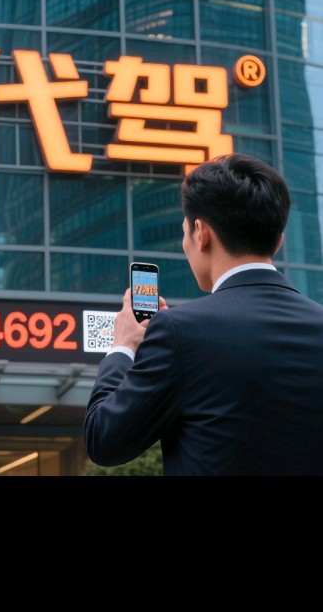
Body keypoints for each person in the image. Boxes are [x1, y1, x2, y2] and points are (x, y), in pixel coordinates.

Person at [83, 153, 323, 476]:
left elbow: (103, 439)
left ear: (200, 233)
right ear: (278, 241)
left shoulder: (181, 332)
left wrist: (123, 346)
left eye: (185, 232)